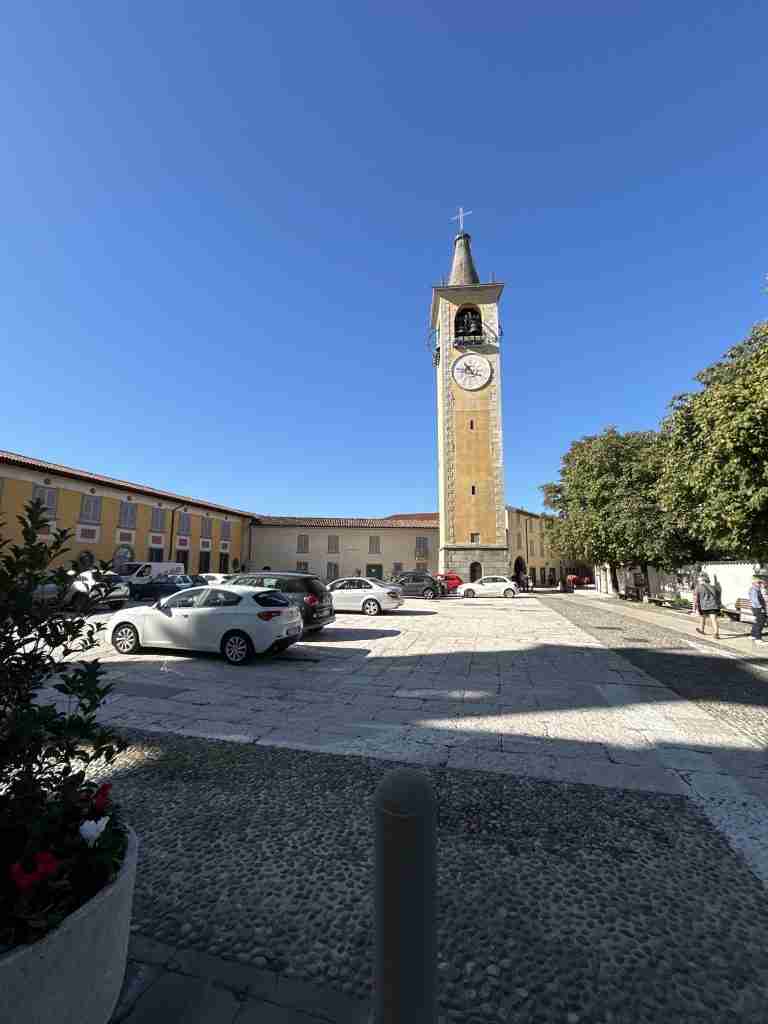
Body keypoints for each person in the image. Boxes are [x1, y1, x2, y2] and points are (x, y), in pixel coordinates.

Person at [695, 572, 721, 639]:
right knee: (714, 620)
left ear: (701, 580)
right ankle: (716, 633)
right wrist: (715, 579)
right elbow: (718, 593)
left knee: (702, 618)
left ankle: (702, 629)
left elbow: (696, 598)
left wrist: (694, 608)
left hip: (704, 606)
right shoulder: (713, 587)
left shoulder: (698, 587)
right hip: (713, 605)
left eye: (699, 580)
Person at [749, 572, 767, 645]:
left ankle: (753, 635)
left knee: (757, 621)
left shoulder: (756, 589)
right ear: (754, 583)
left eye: (760, 583)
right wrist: (761, 608)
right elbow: (755, 600)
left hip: (756, 608)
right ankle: (758, 638)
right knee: (761, 622)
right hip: (758, 608)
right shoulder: (754, 590)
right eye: (759, 583)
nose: (760, 584)